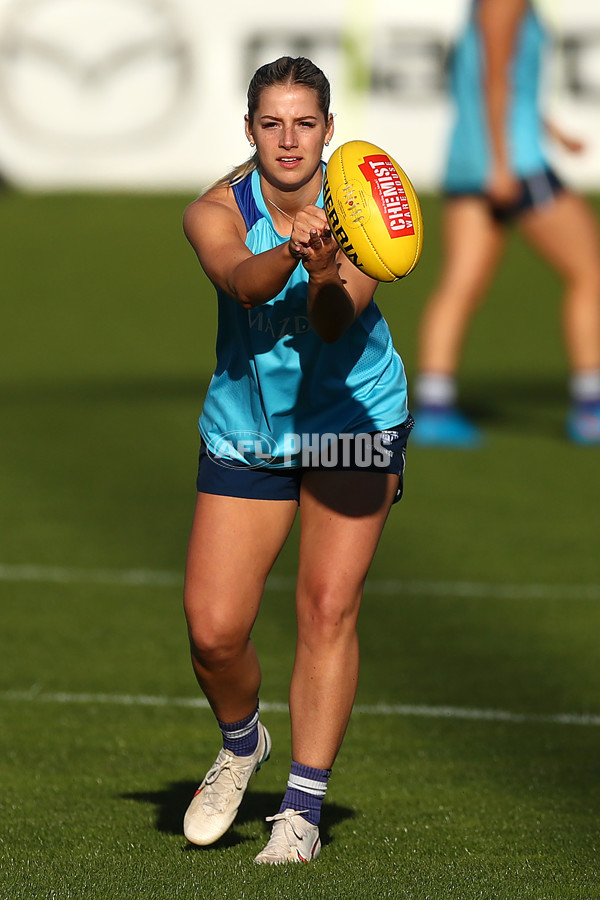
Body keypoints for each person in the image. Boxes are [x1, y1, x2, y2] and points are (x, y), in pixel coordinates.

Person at [180, 56, 414, 864]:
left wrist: (321, 263)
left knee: (326, 605)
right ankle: (243, 744)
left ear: (328, 130)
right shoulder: (214, 209)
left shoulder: (360, 209)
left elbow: (333, 319)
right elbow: (239, 280)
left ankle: (302, 810)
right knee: (213, 634)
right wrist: (288, 250)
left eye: (304, 123)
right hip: (250, 429)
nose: (289, 140)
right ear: (249, 130)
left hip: (352, 419)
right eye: (272, 123)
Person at [412, 0, 600, 447]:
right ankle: (591, 408)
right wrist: (500, 164)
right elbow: (493, 78)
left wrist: (551, 130)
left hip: (471, 157)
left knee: (460, 284)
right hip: (513, 162)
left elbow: (498, 80)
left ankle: (434, 406)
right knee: (590, 273)